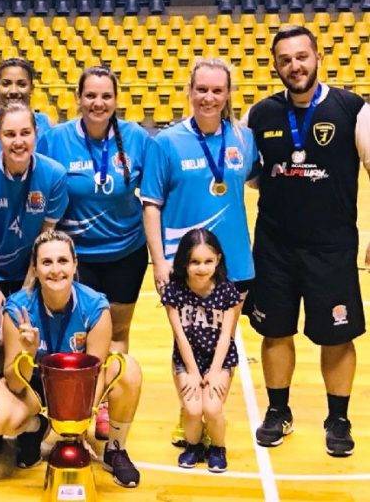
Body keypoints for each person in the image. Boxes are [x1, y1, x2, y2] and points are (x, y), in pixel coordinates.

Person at [243, 25, 370, 457]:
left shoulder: (353, 109)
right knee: (275, 331)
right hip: (275, 246)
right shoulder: (260, 115)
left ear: (317, 57)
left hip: (332, 249)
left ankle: (338, 418)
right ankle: (278, 411)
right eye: (285, 60)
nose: (294, 66)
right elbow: (253, 176)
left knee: (338, 336)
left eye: (301, 56)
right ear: (275, 66)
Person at [141, 57, 259, 447]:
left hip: (233, 261)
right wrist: (159, 261)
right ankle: (189, 411)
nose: (209, 97)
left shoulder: (244, 139)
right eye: (202, 89)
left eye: (217, 90)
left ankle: (213, 412)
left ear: (228, 95)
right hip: (184, 264)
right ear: (190, 92)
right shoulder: (166, 142)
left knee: (223, 338)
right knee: (186, 337)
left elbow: (260, 181)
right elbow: (151, 205)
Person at [37, 66, 158, 439]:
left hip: (125, 252)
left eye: (106, 96)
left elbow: (154, 194)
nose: (98, 103)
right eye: (90, 95)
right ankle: (68, 402)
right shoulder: (55, 139)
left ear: (116, 100)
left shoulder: (136, 138)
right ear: (78, 98)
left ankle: (104, 402)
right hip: (76, 258)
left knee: (117, 332)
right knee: (75, 335)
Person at [0, 231, 142, 488]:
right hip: (34, 387)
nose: (56, 270)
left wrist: (79, 427)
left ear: (75, 264)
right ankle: (35, 426)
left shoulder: (95, 306)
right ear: (35, 269)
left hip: (79, 388)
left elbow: (98, 372)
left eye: (63, 261)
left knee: (128, 368)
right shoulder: (17, 309)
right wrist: (28, 353)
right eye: (46, 262)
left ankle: (115, 449)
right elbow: (14, 382)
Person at [0, 102, 68, 312]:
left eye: (25, 133)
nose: (18, 142)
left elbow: (44, 237)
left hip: (31, 267)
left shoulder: (55, 175)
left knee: (28, 327)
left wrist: (27, 288)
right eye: (10, 134)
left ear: (36, 134)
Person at [161, 228, 240, 473]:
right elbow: (180, 336)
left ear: (218, 259)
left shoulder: (227, 291)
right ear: (184, 262)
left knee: (212, 408)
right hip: (187, 360)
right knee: (193, 410)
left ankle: (218, 447)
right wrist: (193, 372)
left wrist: (215, 371)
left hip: (220, 359)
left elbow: (226, 336)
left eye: (208, 261)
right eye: (195, 262)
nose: (202, 268)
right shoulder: (174, 291)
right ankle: (193, 446)